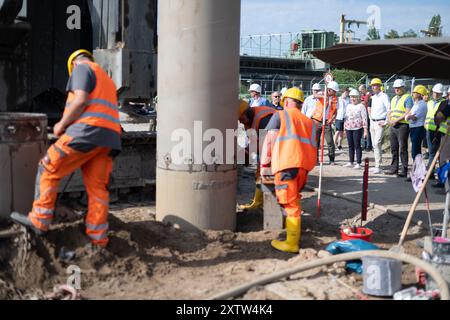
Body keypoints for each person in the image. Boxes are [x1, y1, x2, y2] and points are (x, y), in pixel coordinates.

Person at [11, 50, 122, 248]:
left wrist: (62, 124)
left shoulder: (82, 68)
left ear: (73, 65)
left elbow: (80, 100)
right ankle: (98, 240)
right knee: (98, 189)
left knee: (48, 167)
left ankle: (39, 220)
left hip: (87, 132)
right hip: (109, 139)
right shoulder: (107, 79)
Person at [263, 87, 317, 253]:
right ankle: (293, 235)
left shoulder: (280, 115)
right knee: (295, 199)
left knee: (289, 203)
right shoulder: (310, 122)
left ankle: (291, 242)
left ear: (285, 101)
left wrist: (264, 165)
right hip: (304, 167)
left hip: (286, 165)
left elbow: (269, 142)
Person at [238, 100, 276, 210]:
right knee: (261, 172)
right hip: (268, 148)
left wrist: (247, 152)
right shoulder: (248, 122)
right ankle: (259, 202)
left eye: (241, 119)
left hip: (278, 147)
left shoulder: (265, 118)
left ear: (246, 113)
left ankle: (272, 205)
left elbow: (266, 144)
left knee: (269, 172)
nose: (240, 122)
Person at [386, 79, 413, 178]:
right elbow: (389, 112)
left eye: (398, 88)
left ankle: (404, 170)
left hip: (402, 125)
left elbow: (408, 112)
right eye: (395, 88)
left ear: (403, 88)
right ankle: (394, 168)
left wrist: (396, 120)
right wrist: (389, 119)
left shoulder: (408, 98)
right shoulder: (393, 99)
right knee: (394, 148)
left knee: (403, 148)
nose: (396, 89)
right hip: (393, 125)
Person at [312, 81, 339, 165]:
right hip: (317, 120)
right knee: (316, 141)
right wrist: (324, 96)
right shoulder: (322, 93)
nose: (335, 93)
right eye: (334, 91)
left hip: (327, 122)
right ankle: (315, 159)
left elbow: (335, 112)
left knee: (330, 141)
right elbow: (315, 95)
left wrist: (332, 119)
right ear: (329, 90)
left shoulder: (335, 98)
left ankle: (332, 160)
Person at [425, 84, 447, 183]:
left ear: (441, 94)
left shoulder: (443, 103)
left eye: (438, 93)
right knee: (431, 152)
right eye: (434, 93)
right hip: (428, 129)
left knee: (434, 153)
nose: (436, 95)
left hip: (438, 131)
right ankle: (431, 173)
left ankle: (430, 173)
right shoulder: (429, 102)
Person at [406, 85, 428, 181]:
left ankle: (418, 174)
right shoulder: (417, 103)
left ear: (419, 94)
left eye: (414, 92)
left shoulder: (421, 104)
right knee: (415, 152)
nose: (413, 94)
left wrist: (408, 116)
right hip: (414, 128)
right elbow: (410, 115)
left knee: (416, 152)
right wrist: (409, 116)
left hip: (417, 128)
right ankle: (418, 173)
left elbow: (414, 118)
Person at [368, 78, 390, 174]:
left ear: (380, 86)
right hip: (372, 122)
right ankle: (377, 164)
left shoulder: (384, 96)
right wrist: (370, 118)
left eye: (375, 85)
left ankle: (378, 165)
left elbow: (389, 109)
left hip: (379, 122)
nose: (374, 87)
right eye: (372, 85)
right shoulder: (373, 97)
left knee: (377, 143)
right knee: (374, 144)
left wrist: (386, 121)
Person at [343, 89, 368, 169]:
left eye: (355, 97)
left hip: (357, 128)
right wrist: (344, 128)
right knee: (350, 145)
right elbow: (346, 117)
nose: (353, 99)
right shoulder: (348, 106)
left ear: (358, 97)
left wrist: (365, 130)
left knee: (357, 145)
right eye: (351, 97)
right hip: (348, 128)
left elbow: (364, 118)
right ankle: (351, 161)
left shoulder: (361, 106)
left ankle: (358, 163)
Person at [359, 84, 373, 151]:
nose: (360, 92)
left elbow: (364, 103)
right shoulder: (363, 95)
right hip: (362, 114)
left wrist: (362, 102)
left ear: (364, 89)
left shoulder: (369, 95)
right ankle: (363, 145)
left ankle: (368, 145)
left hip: (367, 114)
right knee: (362, 130)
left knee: (367, 130)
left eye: (361, 90)